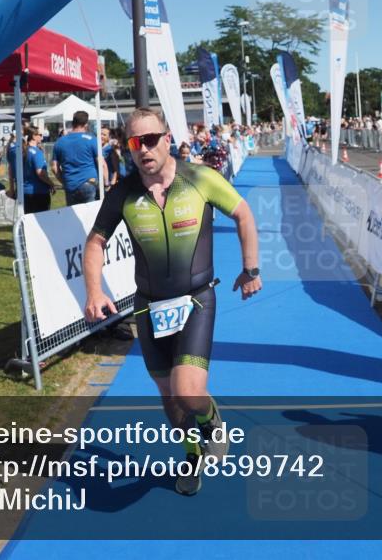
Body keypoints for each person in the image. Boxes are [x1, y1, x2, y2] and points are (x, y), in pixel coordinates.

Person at [82, 108, 262, 496]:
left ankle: (212, 422)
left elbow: (244, 215)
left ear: (167, 139)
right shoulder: (123, 193)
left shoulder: (199, 178)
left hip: (196, 299)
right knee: (169, 398)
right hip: (148, 306)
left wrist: (250, 269)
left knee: (188, 391)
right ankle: (192, 454)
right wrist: (94, 291)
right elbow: (95, 242)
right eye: (135, 143)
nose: (144, 149)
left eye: (150, 140)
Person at [52, 111, 100, 205]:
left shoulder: (60, 141)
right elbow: (101, 163)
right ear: (86, 124)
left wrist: (64, 182)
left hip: (70, 185)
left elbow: (54, 168)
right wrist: (106, 183)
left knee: (73, 214)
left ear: (73, 123)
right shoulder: (92, 140)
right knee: (91, 213)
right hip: (89, 183)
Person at [9, 127, 56, 213]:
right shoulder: (36, 152)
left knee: (27, 219)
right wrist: (52, 184)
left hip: (23, 193)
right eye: (40, 135)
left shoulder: (19, 151)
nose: (42, 137)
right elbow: (40, 173)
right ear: (34, 136)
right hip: (38, 193)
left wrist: (12, 189)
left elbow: (11, 169)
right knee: (41, 219)